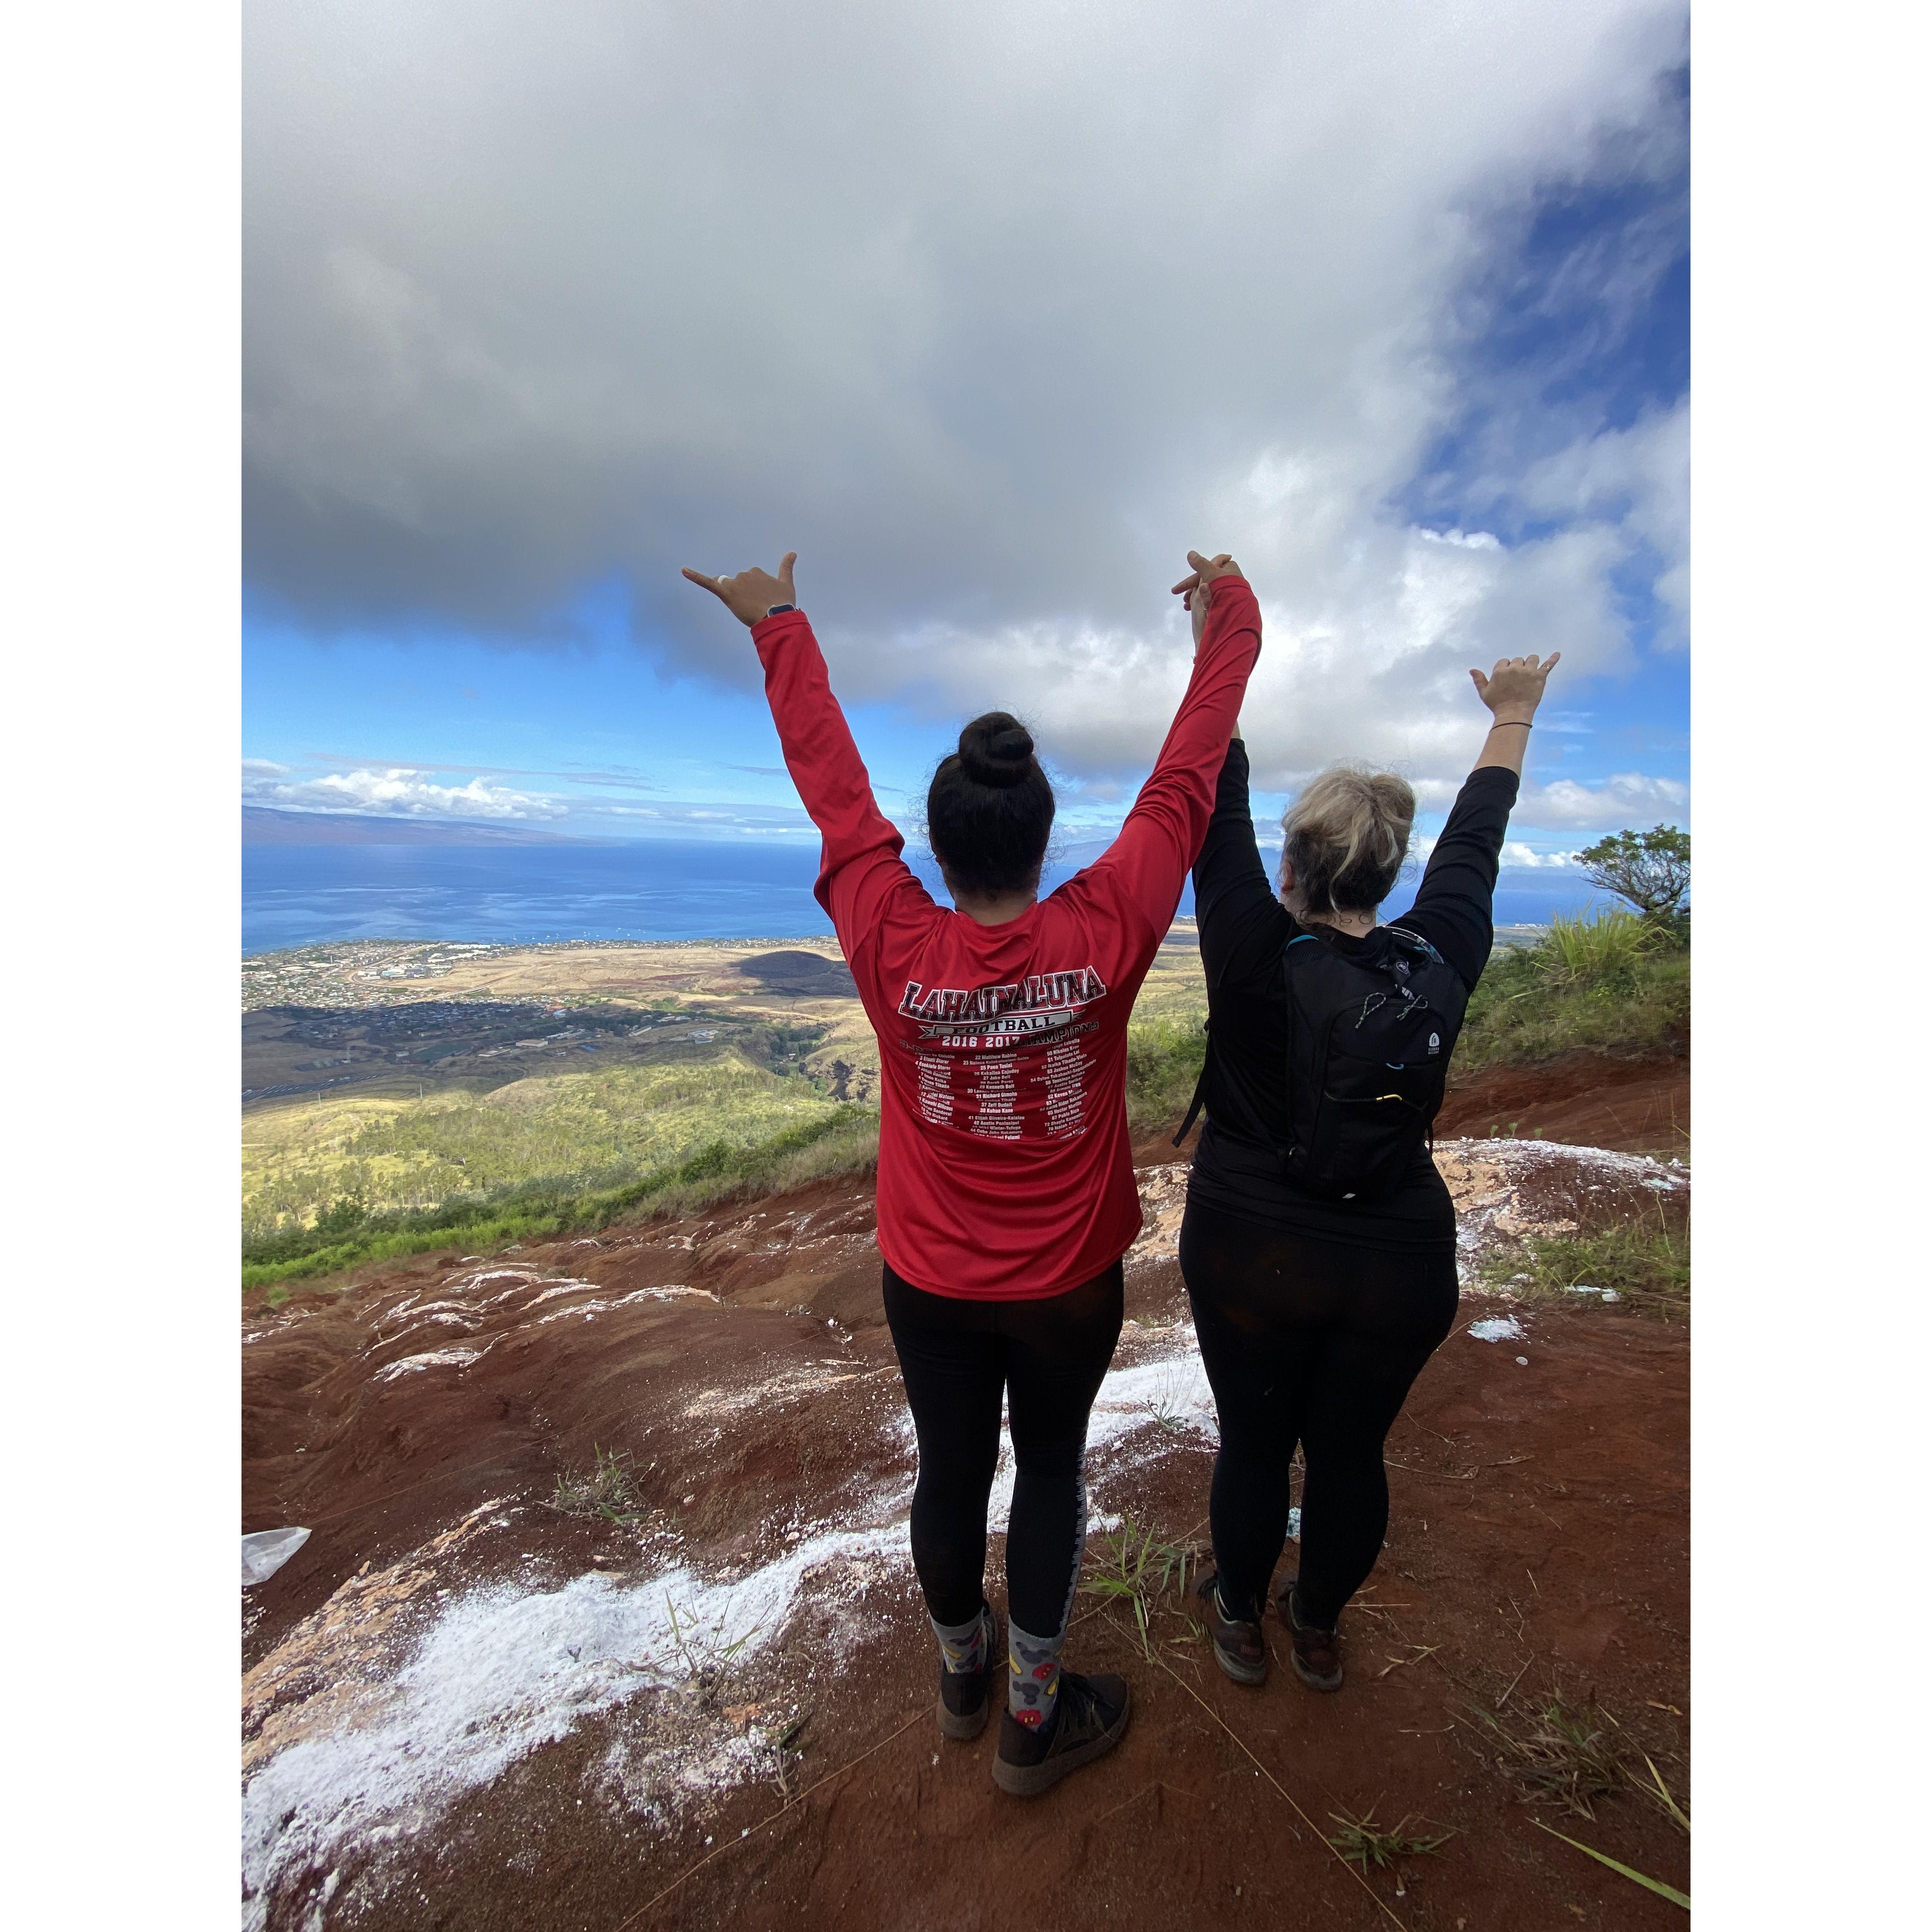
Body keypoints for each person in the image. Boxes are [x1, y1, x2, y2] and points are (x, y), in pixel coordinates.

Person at [682, 548, 1260, 1795]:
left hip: (931, 1280)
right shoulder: (1106, 924)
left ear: (936, 847)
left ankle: (962, 1672)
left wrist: (778, 625)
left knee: (951, 1471)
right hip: (1067, 1285)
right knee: (1050, 1471)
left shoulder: (892, 935)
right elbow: (1187, 775)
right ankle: (1035, 1722)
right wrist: (1230, 622)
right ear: (1045, 839)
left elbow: (835, 796)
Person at [1176, 642, 1561, 1691]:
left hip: (1251, 1249)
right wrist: (1513, 712)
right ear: (1392, 879)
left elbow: (1217, 791)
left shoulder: (1251, 945)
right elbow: (1478, 841)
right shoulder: (1441, 952)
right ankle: (1317, 1630)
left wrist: (1221, 646)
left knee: (1255, 1449)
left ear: (1290, 868)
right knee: (1350, 1457)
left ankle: (1241, 1624)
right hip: (1398, 1261)